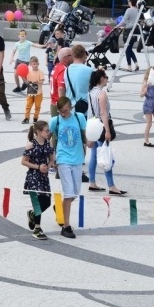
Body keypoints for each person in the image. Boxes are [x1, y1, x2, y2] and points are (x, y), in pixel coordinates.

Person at [49, 96, 91, 239]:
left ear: (71, 108)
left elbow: (85, 136)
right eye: (60, 111)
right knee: (68, 193)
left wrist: (89, 142)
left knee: (75, 193)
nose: (63, 114)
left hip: (78, 159)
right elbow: (46, 136)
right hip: (63, 159)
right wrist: (51, 158)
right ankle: (66, 227)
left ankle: (60, 208)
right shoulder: (56, 121)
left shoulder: (79, 118)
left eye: (65, 111)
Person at [87, 69, 126, 195]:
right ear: (101, 79)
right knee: (106, 155)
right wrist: (107, 130)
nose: (107, 78)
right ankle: (111, 186)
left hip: (92, 125)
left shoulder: (90, 92)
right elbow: (103, 113)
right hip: (101, 126)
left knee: (94, 155)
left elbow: (90, 112)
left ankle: (92, 182)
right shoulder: (101, 94)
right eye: (106, 76)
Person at [22, 121, 55, 240]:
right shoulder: (31, 145)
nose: (48, 132)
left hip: (44, 178)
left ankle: (32, 214)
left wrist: (49, 166)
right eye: (46, 130)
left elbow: (52, 159)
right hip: (33, 177)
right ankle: (37, 228)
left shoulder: (48, 144)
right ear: (39, 132)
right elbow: (24, 161)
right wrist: (38, 167)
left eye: (48, 130)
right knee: (37, 202)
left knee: (47, 202)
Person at [64, 44, 93, 115]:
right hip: (85, 108)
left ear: (73, 55)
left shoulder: (67, 70)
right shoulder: (89, 70)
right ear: (84, 55)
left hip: (70, 107)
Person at [115, 0, 142, 72]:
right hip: (135, 31)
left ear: (130, 2)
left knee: (127, 48)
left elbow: (124, 21)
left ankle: (129, 66)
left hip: (128, 31)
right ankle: (136, 64)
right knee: (129, 48)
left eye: (128, 1)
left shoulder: (129, 10)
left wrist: (117, 26)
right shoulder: (137, 10)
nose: (128, 3)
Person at [140, 67, 154, 147]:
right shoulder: (146, 83)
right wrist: (144, 91)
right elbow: (141, 95)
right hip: (148, 104)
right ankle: (146, 141)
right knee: (149, 124)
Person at [22, 57, 45, 124]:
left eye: (36, 64)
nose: (35, 65)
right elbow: (27, 82)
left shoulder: (40, 72)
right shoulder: (28, 72)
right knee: (28, 105)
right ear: (30, 64)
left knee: (37, 106)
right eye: (34, 64)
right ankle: (26, 118)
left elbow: (42, 82)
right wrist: (24, 78)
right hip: (30, 92)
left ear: (38, 64)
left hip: (38, 93)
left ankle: (35, 118)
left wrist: (37, 82)